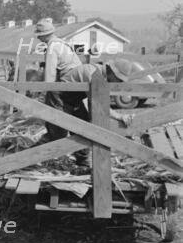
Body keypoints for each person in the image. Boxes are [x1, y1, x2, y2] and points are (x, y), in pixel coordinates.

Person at [34, 18, 131, 166]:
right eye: (117, 79)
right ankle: (29, 159)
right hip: (59, 96)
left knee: (83, 128)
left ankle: (82, 162)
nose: (116, 82)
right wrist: (118, 116)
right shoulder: (92, 72)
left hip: (71, 97)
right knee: (58, 133)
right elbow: (99, 104)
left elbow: (96, 104)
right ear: (111, 72)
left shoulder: (96, 74)